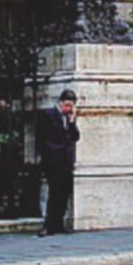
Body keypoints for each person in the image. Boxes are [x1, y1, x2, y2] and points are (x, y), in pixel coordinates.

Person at [36, 89, 80, 236]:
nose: (69, 108)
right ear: (60, 103)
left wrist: (73, 121)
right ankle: (48, 224)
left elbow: (75, 137)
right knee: (54, 193)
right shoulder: (49, 115)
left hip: (66, 161)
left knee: (64, 193)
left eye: (71, 106)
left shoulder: (69, 118)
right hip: (53, 160)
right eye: (67, 105)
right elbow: (42, 138)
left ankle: (59, 223)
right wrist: (50, 154)